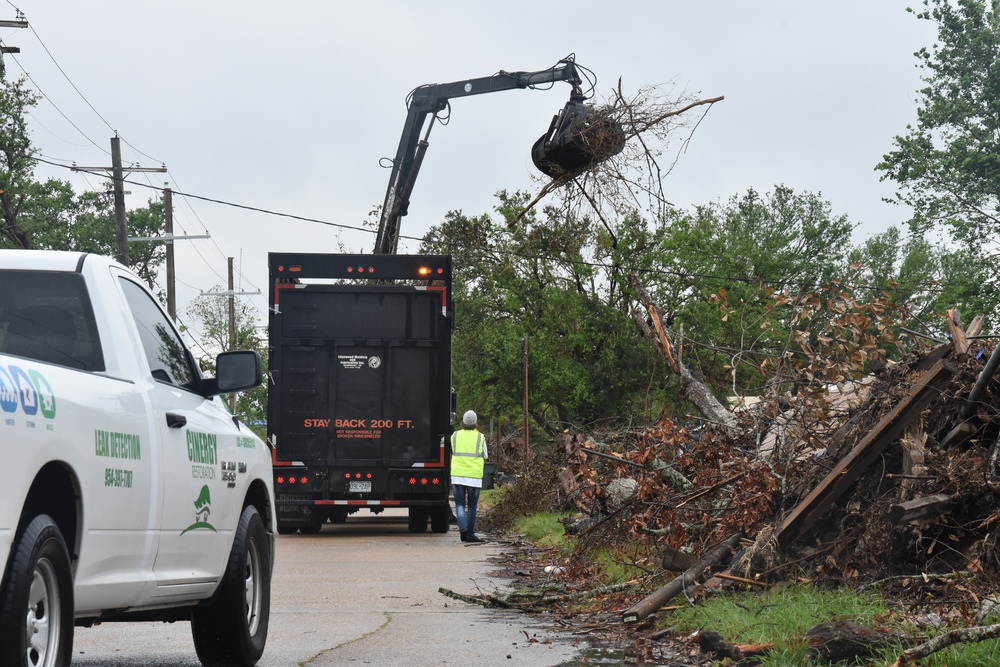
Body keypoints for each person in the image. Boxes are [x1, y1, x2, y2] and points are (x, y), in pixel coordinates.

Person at [450, 409, 487, 543]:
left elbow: (452, 451)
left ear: (463, 422)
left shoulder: (454, 435)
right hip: (474, 476)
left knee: (459, 503)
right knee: (472, 505)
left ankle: (463, 527)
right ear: (475, 423)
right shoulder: (480, 437)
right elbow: (485, 455)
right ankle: (470, 534)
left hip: (458, 475)